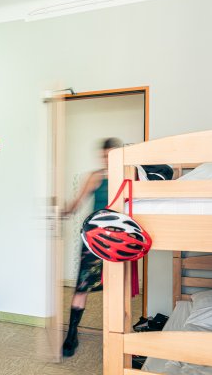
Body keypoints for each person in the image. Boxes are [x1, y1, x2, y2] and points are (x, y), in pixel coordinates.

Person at [61, 137, 123, 357]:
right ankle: (71, 334)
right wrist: (63, 211)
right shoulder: (95, 177)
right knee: (82, 287)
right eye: (104, 156)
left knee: (117, 288)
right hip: (93, 238)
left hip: (118, 241)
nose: (107, 160)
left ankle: (117, 334)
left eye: (111, 156)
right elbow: (77, 202)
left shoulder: (127, 177)